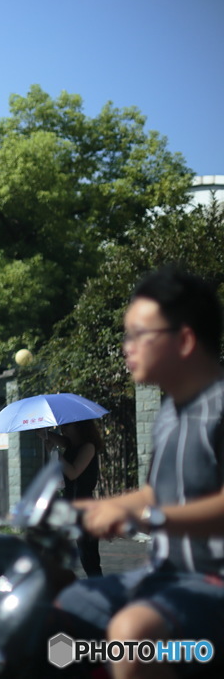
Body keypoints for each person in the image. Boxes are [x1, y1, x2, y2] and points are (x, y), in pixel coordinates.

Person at [54, 267, 224, 679]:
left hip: (211, 581)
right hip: (165, 576)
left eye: (137, 335)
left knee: (133, 632)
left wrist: (147, 517)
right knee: (59, 615)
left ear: (184, 339)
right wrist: (98, 509)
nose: (126, 347)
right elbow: (156, 492)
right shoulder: (170, 412)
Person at [38, 419, 103, 577]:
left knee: (88, 557)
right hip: (68, 504)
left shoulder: (88, 447)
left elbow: (73, 472)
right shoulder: (70, 444)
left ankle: (101, 591)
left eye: (67, 425)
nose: (63, 428)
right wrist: (43, 432)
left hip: (83, 507)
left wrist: (56, 453)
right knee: (53, 548)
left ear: (79, 426)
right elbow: (53, 438)